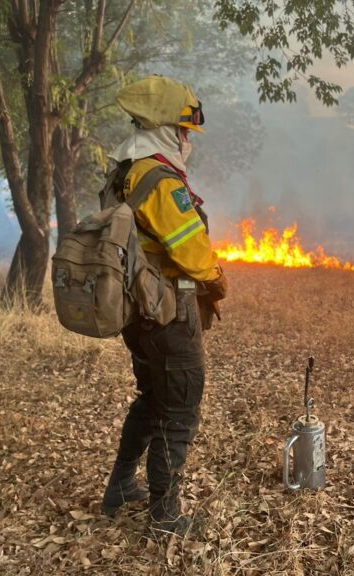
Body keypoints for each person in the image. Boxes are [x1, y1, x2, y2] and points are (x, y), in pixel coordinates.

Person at [99, 77, 228, 538]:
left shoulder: (122, 171)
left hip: (135, 312)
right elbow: (191, 252)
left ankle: (119, 489)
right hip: (168, 309)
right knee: (180, 407)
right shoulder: (159, 178)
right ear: (165, 129)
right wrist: (217, 278)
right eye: (184, 130)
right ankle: (165, 516)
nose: (188, 140)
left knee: (153, 399)